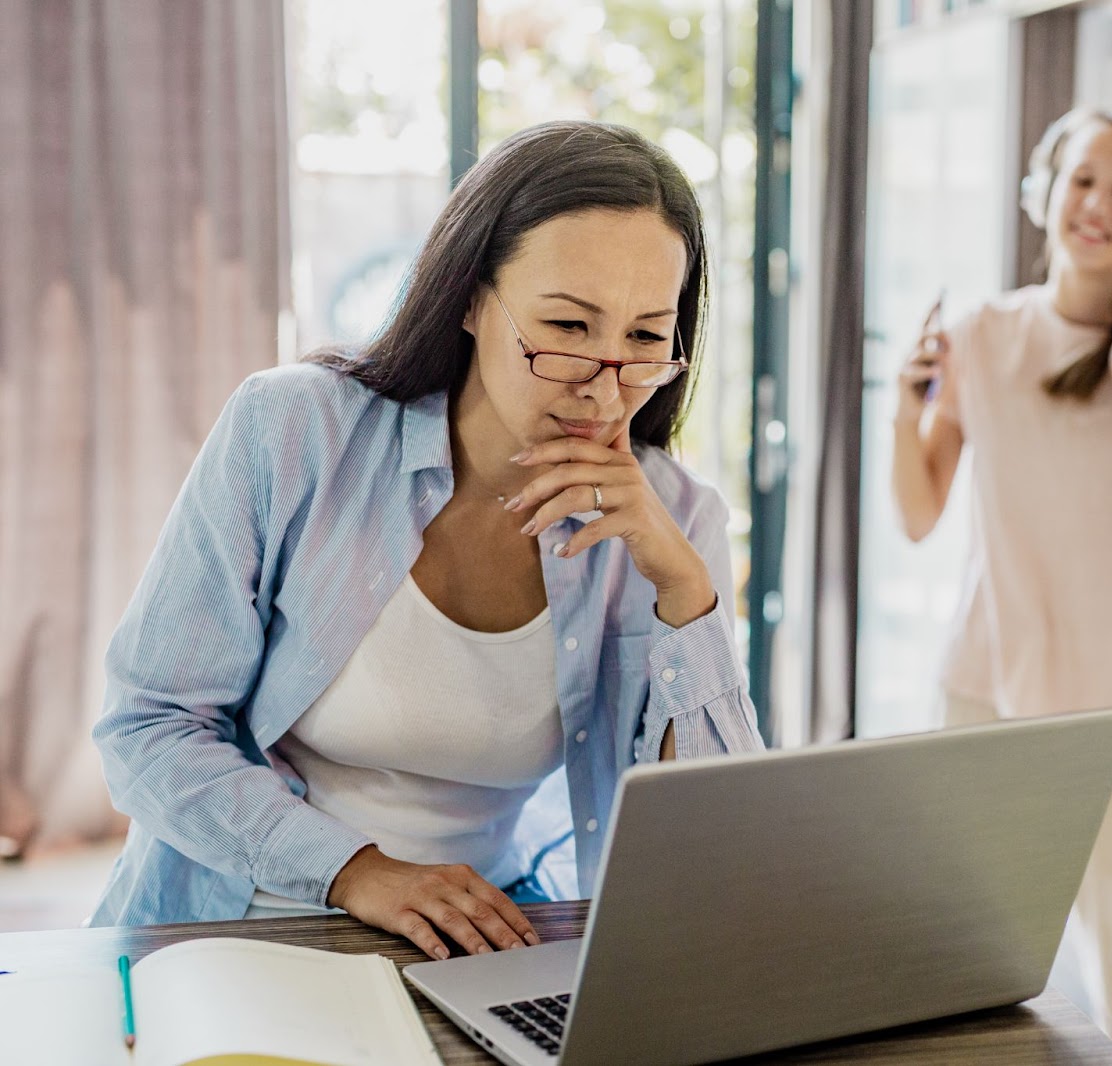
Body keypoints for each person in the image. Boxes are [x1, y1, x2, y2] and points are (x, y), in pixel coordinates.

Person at [90, 121, 763, 961]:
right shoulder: (296, 431)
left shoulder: (670, 521)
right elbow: (147, 728)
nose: (605, 386)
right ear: (473, 299)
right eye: (567, 327)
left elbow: (709, 849)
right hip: (237, 920)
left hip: (475, 938)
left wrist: (684, 591)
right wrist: (357, 871)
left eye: (643, 338)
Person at [890, 107, 1112, 1066]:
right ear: (1045, 188)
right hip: (986, 677)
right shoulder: (980, 334)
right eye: (1084, 179)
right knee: (967, 955)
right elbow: (920, 512)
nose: (1097, 205)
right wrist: (900, 405)